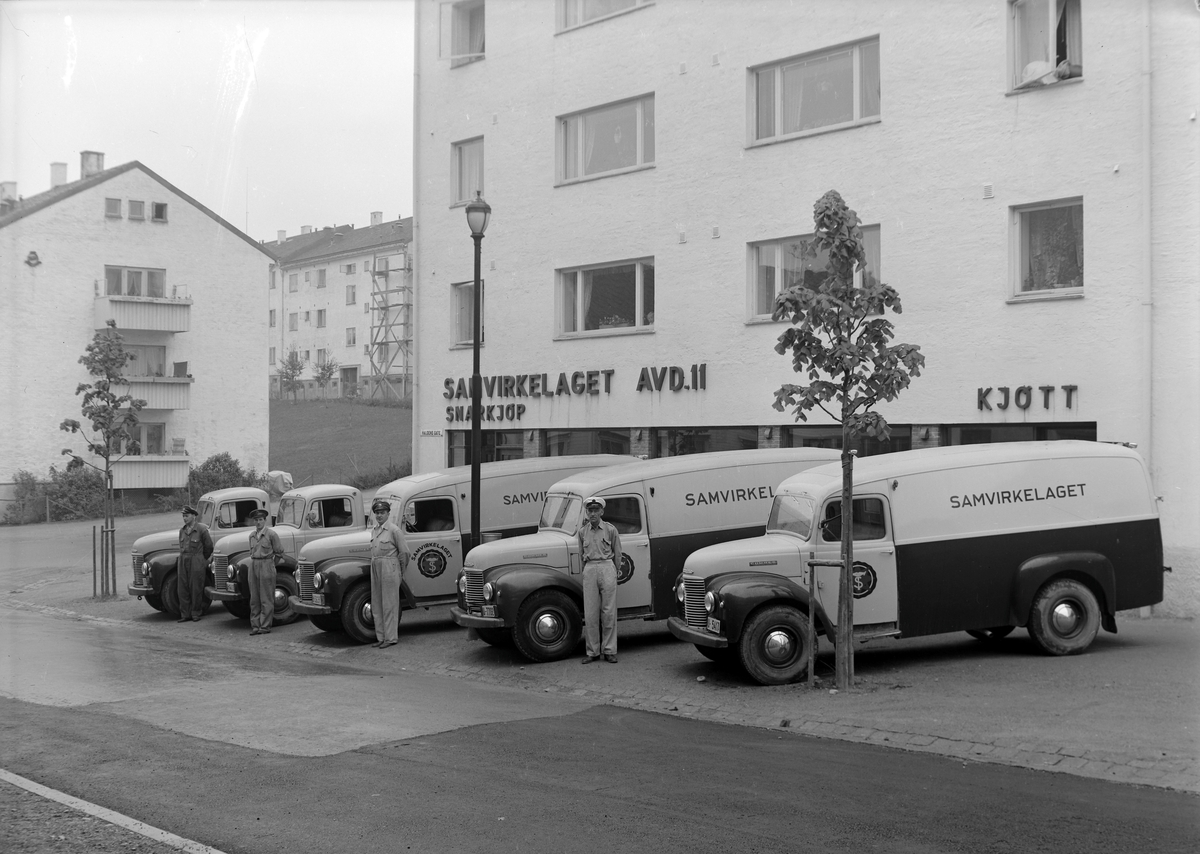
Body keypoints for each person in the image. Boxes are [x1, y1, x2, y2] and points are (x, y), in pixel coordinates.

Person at [577, 496, 622, 664]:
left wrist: (613, 570)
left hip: (607, 566)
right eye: (590, 510)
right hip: (590, 568)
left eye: (596, 510)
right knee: (590, 613)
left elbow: (618, 554)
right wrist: (586, 571)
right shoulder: (582, 532)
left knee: (608, 612)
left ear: (602, 511)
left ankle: (610, 650)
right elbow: (581, 554)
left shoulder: (610, 530)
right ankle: (593, 651)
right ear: (587, 512)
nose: (593, 513)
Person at [369, 498, 409, 648]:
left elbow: (404, 552)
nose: (379, 515)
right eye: (377, 513)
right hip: (376, 565)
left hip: (389, 566)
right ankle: (381, 637)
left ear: (388, 514)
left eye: (382, 512)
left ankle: (391, 638)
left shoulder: (394, 530)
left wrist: (399, 571)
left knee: (390, 604)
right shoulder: (375, 530)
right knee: (377, 603)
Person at [246, 508, 284, 636]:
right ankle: (255, 626)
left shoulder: (271, 535)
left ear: (265, 520)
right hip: (254, 565)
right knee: (254, 598)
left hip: (267, 564)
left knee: (266, 597)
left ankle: (265, 626)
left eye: (260, 520)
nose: (258, 522)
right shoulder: (251, 536)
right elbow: (251, 552)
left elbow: (279, 553)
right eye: (256, 520)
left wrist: (271, 565)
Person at [176, 505, 214, 622]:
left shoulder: (202, 529)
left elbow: (209, 547)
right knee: (182, 588)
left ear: (193, 516)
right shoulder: (182, 531)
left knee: (196, 587)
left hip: (196, 560)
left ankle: (196, 613)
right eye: (183, 516)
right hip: (183, 560)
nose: (184, 518)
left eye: (186, 516)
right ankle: (185, 614)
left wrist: (202, 560)